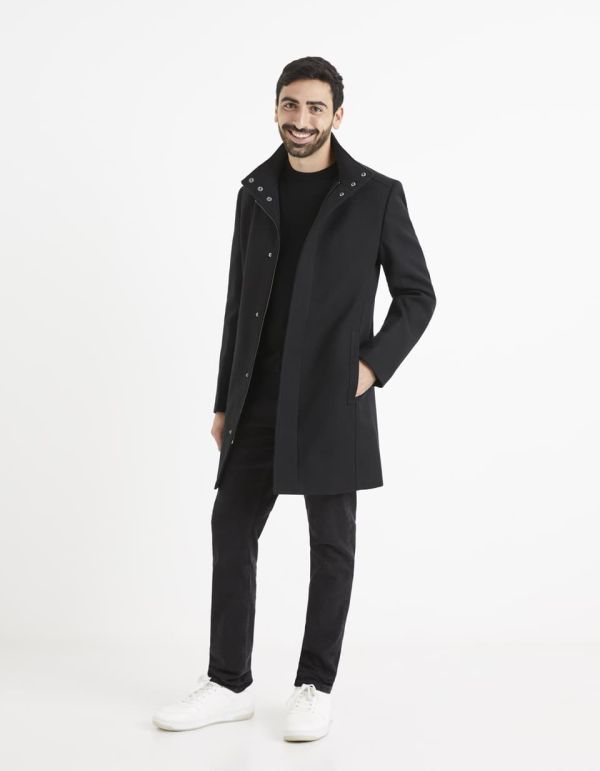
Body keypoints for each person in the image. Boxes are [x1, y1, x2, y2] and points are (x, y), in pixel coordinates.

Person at [153, 56, 436, 742]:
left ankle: (315, 685)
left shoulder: (376, 195)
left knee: (331, 543)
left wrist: (371, 366)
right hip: (257, 396)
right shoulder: (255, 191)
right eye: (290, 105)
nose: (301, 119)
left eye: (315, 107)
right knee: (231, 529)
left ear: (337, 114)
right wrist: (224, 401)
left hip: (332, 398)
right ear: (276, 108)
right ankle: (228, 682)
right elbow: (237, 305)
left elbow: (417, 295)